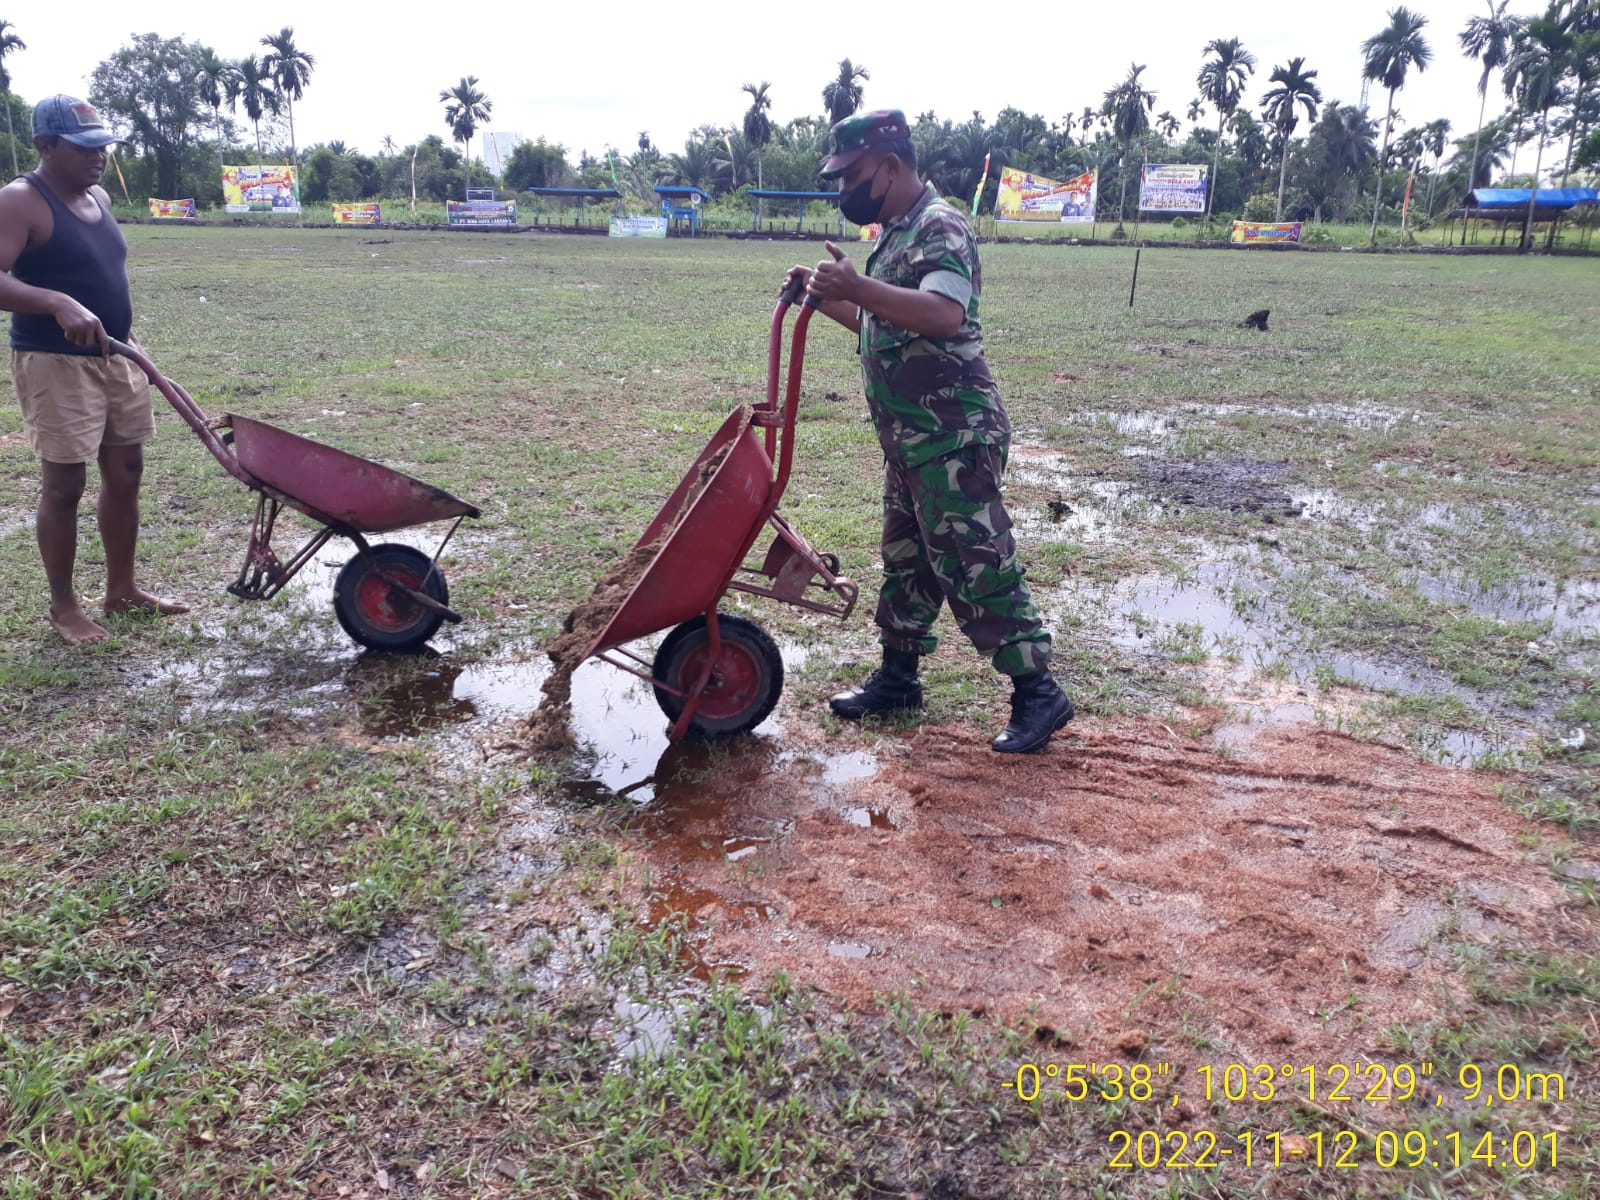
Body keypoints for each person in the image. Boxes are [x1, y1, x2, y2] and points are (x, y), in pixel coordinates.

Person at [788, 108, 1073, 754]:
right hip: (913, 441)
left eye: (852, 175)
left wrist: (859, 286)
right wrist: (825, 295)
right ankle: (898, 678)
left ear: (890, 167)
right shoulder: (894, 234)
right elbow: (883, 322)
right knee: (908, 563)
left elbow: (944, 313)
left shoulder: (941, 226)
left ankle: (1038, 693)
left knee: (977, 565)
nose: (844, 190)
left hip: (954, 438)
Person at [0, 94, 187, 644]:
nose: (98, 155)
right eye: (84, 147)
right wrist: (56, 302)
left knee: (126, 472)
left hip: (116, 355)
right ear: (44, 146)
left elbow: (103, 275)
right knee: (64, 484)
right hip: (55, 363)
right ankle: (64, 608)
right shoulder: (19, 201)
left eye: (102, 144)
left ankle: (122, 590)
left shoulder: (98, 196)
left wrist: (131, 341)